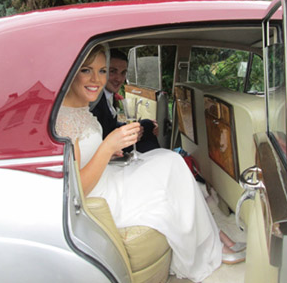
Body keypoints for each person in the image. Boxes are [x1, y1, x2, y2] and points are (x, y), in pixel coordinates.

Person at [55, 45, 246, 282]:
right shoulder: (62, 121)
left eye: (102, 71)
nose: (97, 79)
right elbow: (76, 189)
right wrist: (106, 148)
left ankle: (214, 238)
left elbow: (85, 154)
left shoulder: (81, 108)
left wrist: (109, 152)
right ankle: (215, 242)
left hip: (108, 175)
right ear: (71, 71)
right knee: (171, 169)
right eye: (86, 70)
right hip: (103, 197)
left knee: (170, 160)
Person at [91, 49, 160, 153]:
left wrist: (131, 128)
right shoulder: (94, 100)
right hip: (108, 151)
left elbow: (110, 125)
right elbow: (102, 136)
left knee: (147, 125)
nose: (119, 79)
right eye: (113, 71)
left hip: (113, 140)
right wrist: (126, 134)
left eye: (123, 73)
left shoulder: (109, 95)